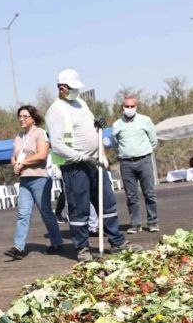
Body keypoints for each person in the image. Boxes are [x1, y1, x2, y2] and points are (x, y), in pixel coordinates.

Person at [45, 68, 136, 262]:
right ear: (62, 88)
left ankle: (117, 242)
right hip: (75, 167)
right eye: (72, 88)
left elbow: (89, 128)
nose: (76, 91)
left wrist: (98, 124)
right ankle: (83, 249)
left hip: (96, 162)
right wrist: (83, 158)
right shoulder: (55, 111)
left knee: (107, 202)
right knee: (80, 209)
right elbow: (58, 145)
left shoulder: (81, 103)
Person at [4, 105, 64, 260]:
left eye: (25, 116)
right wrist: (15, 164)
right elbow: (14, 156)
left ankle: (57, 242)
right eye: (20, 116)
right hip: (24, 179)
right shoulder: (18, 136)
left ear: (33, 118)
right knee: (23, 214)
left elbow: (42, 155)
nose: (22, 119)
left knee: (45, 212)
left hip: (40, 178)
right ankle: (18, 247)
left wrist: (23, 163)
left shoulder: (40, 133)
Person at [112, 95, 159, 233]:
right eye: (127, 106)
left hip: (144, 160)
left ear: (136, 107)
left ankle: (153, 222)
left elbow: (153, 140)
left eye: (132, 106)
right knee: (131, 196)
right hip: (126, 163)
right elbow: (115, 144)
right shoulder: (116, 125)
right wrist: (125, 153)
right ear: (122, 107)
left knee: (149, 193)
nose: (129, 109)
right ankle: (135, 223)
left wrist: (144, 151)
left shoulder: (146, 120)